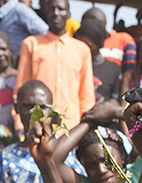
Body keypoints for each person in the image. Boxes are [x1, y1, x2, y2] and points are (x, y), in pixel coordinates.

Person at [16, 0, 92, 129]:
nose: (56, 13)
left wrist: (86, 127)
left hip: (71, 127)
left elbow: (87, 96)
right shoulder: (31, 44)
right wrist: (19, 124)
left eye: (61, 9)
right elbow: (21, 88)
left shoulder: (82, 49)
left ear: (68, 14)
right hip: (37, 126)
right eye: (52, 9)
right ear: (46, 13)